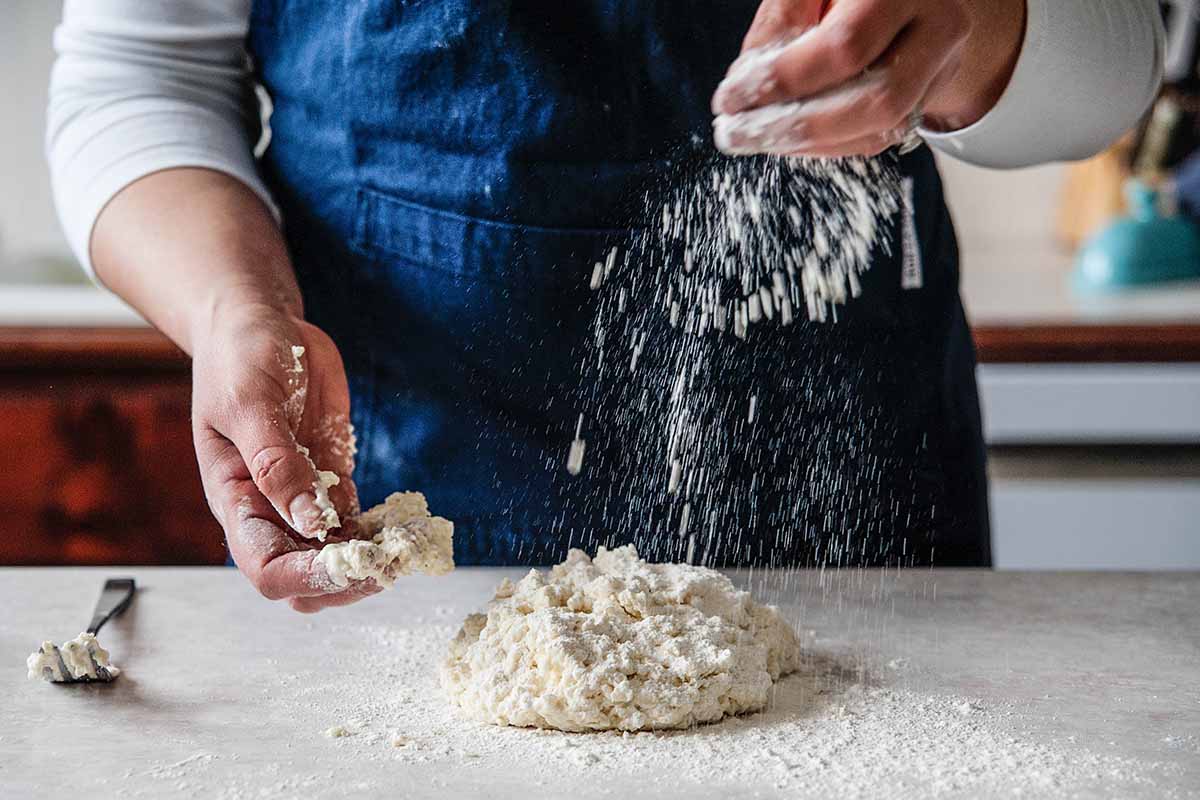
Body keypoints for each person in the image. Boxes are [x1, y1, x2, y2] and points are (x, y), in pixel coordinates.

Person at [48, 0, 1162, 611]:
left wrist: (983, 25)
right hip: (413, 452)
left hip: (851, 482)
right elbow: (138, 71)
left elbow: (1119, 57)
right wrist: (234, 308)